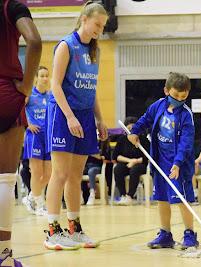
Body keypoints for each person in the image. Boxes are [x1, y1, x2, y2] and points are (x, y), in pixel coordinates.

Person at [44, 1, 108, 250]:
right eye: (97, 24)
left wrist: (99, 119)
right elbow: (55, 86)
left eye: (102, 27)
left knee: (74, 176)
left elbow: (91, 89)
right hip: (62, 114)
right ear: (84, 19)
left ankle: (74, 227)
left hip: (84, 114)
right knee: (59, 173)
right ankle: (51, 229)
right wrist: (70, 117)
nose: (99, 30)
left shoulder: (95, 51)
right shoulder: (65, 46)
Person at [128, 72, 199, 250]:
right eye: (176, 96)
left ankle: (190, 234)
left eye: (184, 97)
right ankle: (165, 234)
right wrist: (135, 132)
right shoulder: (157, 106)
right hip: (159, 161)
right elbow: (145, 120)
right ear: (166, 90)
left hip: (178, 165)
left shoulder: (186, 115)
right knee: (162, 198)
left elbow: (186, 143)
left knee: (181, 199)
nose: (179, 100)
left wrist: (178, 163)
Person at [0, 0, 42, 265]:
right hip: (6, 93)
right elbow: (35, 41)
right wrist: (27, 86)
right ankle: (3, 256)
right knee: (5, 180)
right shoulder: (11, 6)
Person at [22, 66, 51, 216]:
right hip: (34, 137)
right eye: (42, 76)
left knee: (49, 173)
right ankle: (40, 205)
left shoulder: (51, 95)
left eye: (47, 75)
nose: (45, 78)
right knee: (36, 173)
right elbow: (18, 108)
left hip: (48, 137)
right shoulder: (30, 95)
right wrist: (27, 124)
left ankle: (31, 197)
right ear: (36, 78)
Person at [112, 117, 149, 205]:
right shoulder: (122, 139)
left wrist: (135, 161)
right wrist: (130, 161)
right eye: (129, 128)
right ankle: (123, 195)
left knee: (134, 170)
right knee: (117, 169)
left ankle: (130, 196)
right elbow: (116, 156)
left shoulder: (143, 139)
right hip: (126, 163)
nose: (131, 130)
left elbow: (147, 156)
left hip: (140, 164)